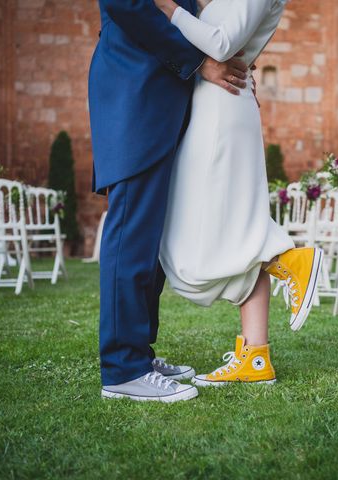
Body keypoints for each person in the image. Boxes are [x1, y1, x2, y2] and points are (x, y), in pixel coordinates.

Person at [89, 0, 252, 403]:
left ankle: (139, 354)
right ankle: (123, 369)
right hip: (136, 89)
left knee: (150, 239)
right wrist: (199, 63)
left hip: (162, 96)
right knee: (131, 230)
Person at [155, 0, 323, 388]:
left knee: (210, 231)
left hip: (221, 111)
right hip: (212, 105)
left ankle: (289, 258)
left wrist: (169, 9)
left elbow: (221, 43)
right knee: (233, 224)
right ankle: (256, 356)